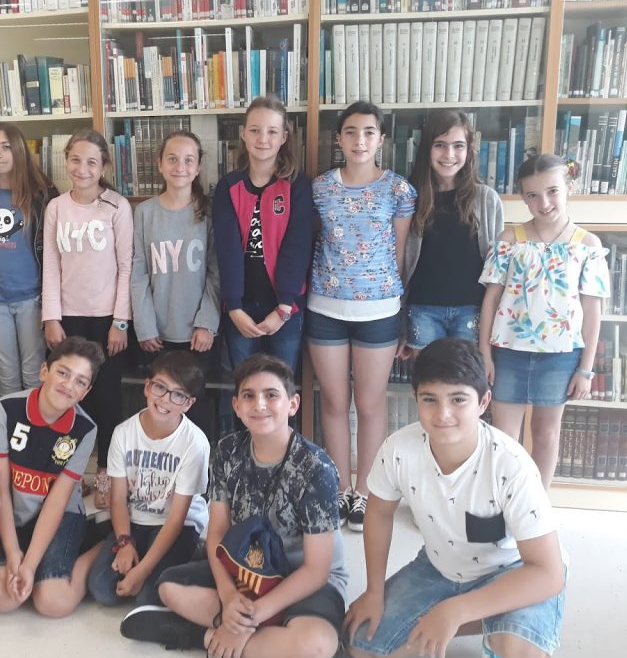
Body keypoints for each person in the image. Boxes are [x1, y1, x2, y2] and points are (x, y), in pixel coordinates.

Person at [345, 338, 566, 658]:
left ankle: (489, 632)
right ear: (415, 398)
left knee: (524, 651)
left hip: (511, 569)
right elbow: (379, 513)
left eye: (458, 399)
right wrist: (373, 591)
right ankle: (479, 617)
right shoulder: (398, 450)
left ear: (484, 402)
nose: (443, 414)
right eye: (429, 399)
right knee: (360, 643)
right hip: (441, 567)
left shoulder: (511, 465)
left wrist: (456, 611)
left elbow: (548, 573)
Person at [121, 354, 347, 658]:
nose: (260, 405)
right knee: (168, 587)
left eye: (271, 395)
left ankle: (199, 636)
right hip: (245, 568)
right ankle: (278, 649)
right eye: (249, 396)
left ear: (292, 404)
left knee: (317, 642)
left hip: (301, 579)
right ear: (236, 406)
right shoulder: (227, 451)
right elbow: (216, 533)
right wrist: (228, 596)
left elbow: (317, 569)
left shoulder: (316, 467)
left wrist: (248, 619)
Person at [307, 101, 416, 532]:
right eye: (351, 132)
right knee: (334, 402)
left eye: (369, 132)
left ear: (381, 139)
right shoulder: (320, 188)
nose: (360, 141)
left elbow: (400, 254)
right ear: (339, 139)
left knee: (370, 404)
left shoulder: (399, 190)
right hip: (326, 307)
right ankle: (338, 488)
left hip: (379, 309)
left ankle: (366, 491)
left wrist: (400, 310)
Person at [479, 154, 610, 488]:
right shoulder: (510, 240)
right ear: (524, 198)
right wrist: (485, 354)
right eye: (533, 195)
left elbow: (592, 311)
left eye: (552, 191)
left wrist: (585, 369)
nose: (544, 203)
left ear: (569, 188)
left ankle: (537, 504)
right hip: (508, 353)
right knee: (504, 437)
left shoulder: (588, 245)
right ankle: (501, 500)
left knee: (546, 434)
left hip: (560, 357)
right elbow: (491, 299)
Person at [0, 336, 105, 618]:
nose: (69, 385)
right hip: (14, 511)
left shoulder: (85, 429)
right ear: (44, 371)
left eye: (80, 381)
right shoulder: (5, 410)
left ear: (85, 392)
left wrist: (30, 565)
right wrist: (13, 552)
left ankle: (101, 546)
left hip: (59, 515)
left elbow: (58, 501)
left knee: (52, 603)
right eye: (63, 373)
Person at [42, 129, 133, 509]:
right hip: (68, 318)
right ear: (66, 161)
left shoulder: (117, 207)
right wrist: (51, 317)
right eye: (76, 160)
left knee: (107, 399)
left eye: (92, 162)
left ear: (104, 167)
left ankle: (106, 473)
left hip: (107, 320)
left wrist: (121, 321)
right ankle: (72, 471)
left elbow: (126, 267)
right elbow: (51, 265)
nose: (82, 168)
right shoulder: (56, 208)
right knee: (68, 397)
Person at [88, 351, 210, 610]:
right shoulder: (123, 433)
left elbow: (176, 518)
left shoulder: (195, 443)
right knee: (102, 589)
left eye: (178, 395)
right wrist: (124, 543)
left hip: (179, 525)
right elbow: (118, 499)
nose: (165, 399)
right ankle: (128, 548)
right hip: (136, 520)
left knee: (149, 597)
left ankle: (193, 556)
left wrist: (141, 571)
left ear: (188, 403)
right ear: (147, 387)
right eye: (160, 387)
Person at [213, 97, 313, 373]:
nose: (263, 139)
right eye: (255, 130)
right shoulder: (228, 186)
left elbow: (298, 246)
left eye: (272, 131)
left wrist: (283, 307)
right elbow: (227, 249)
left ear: (284, 137)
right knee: (245, 380)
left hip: (285, 306)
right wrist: (234, 307)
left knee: (281, 381)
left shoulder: (297, 185)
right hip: (240, 306)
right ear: (243, 134)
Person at [131, 129, 220, 432]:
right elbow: (138, 272)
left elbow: (216, 272)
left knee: (194, 406)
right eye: (172, 159)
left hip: (197, 333)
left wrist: (207, 323)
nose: (180, 167)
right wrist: (144, 326)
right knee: (160, 404)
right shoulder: (144, 213)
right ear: (159, 164)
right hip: (157, 333)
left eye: (188, 160)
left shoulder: (208, 212)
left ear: (197, 167)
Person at [0, 122, 56, 397]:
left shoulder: (42, 195)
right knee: (6, 375)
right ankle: (10, 423)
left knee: (33, 373)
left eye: (5, 147)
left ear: (18, 150)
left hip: (31, 298)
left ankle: (31, 423)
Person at [403, 110, 504, 353]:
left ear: (469, 151)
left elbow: (498, 265)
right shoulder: (408, 196)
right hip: (422, 309)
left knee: (467, 375)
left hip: (472, 309)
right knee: (429, 374)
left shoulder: (486, 199)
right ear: (427, 149)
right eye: (440, 145)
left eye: (458, 146)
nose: (449, 155)